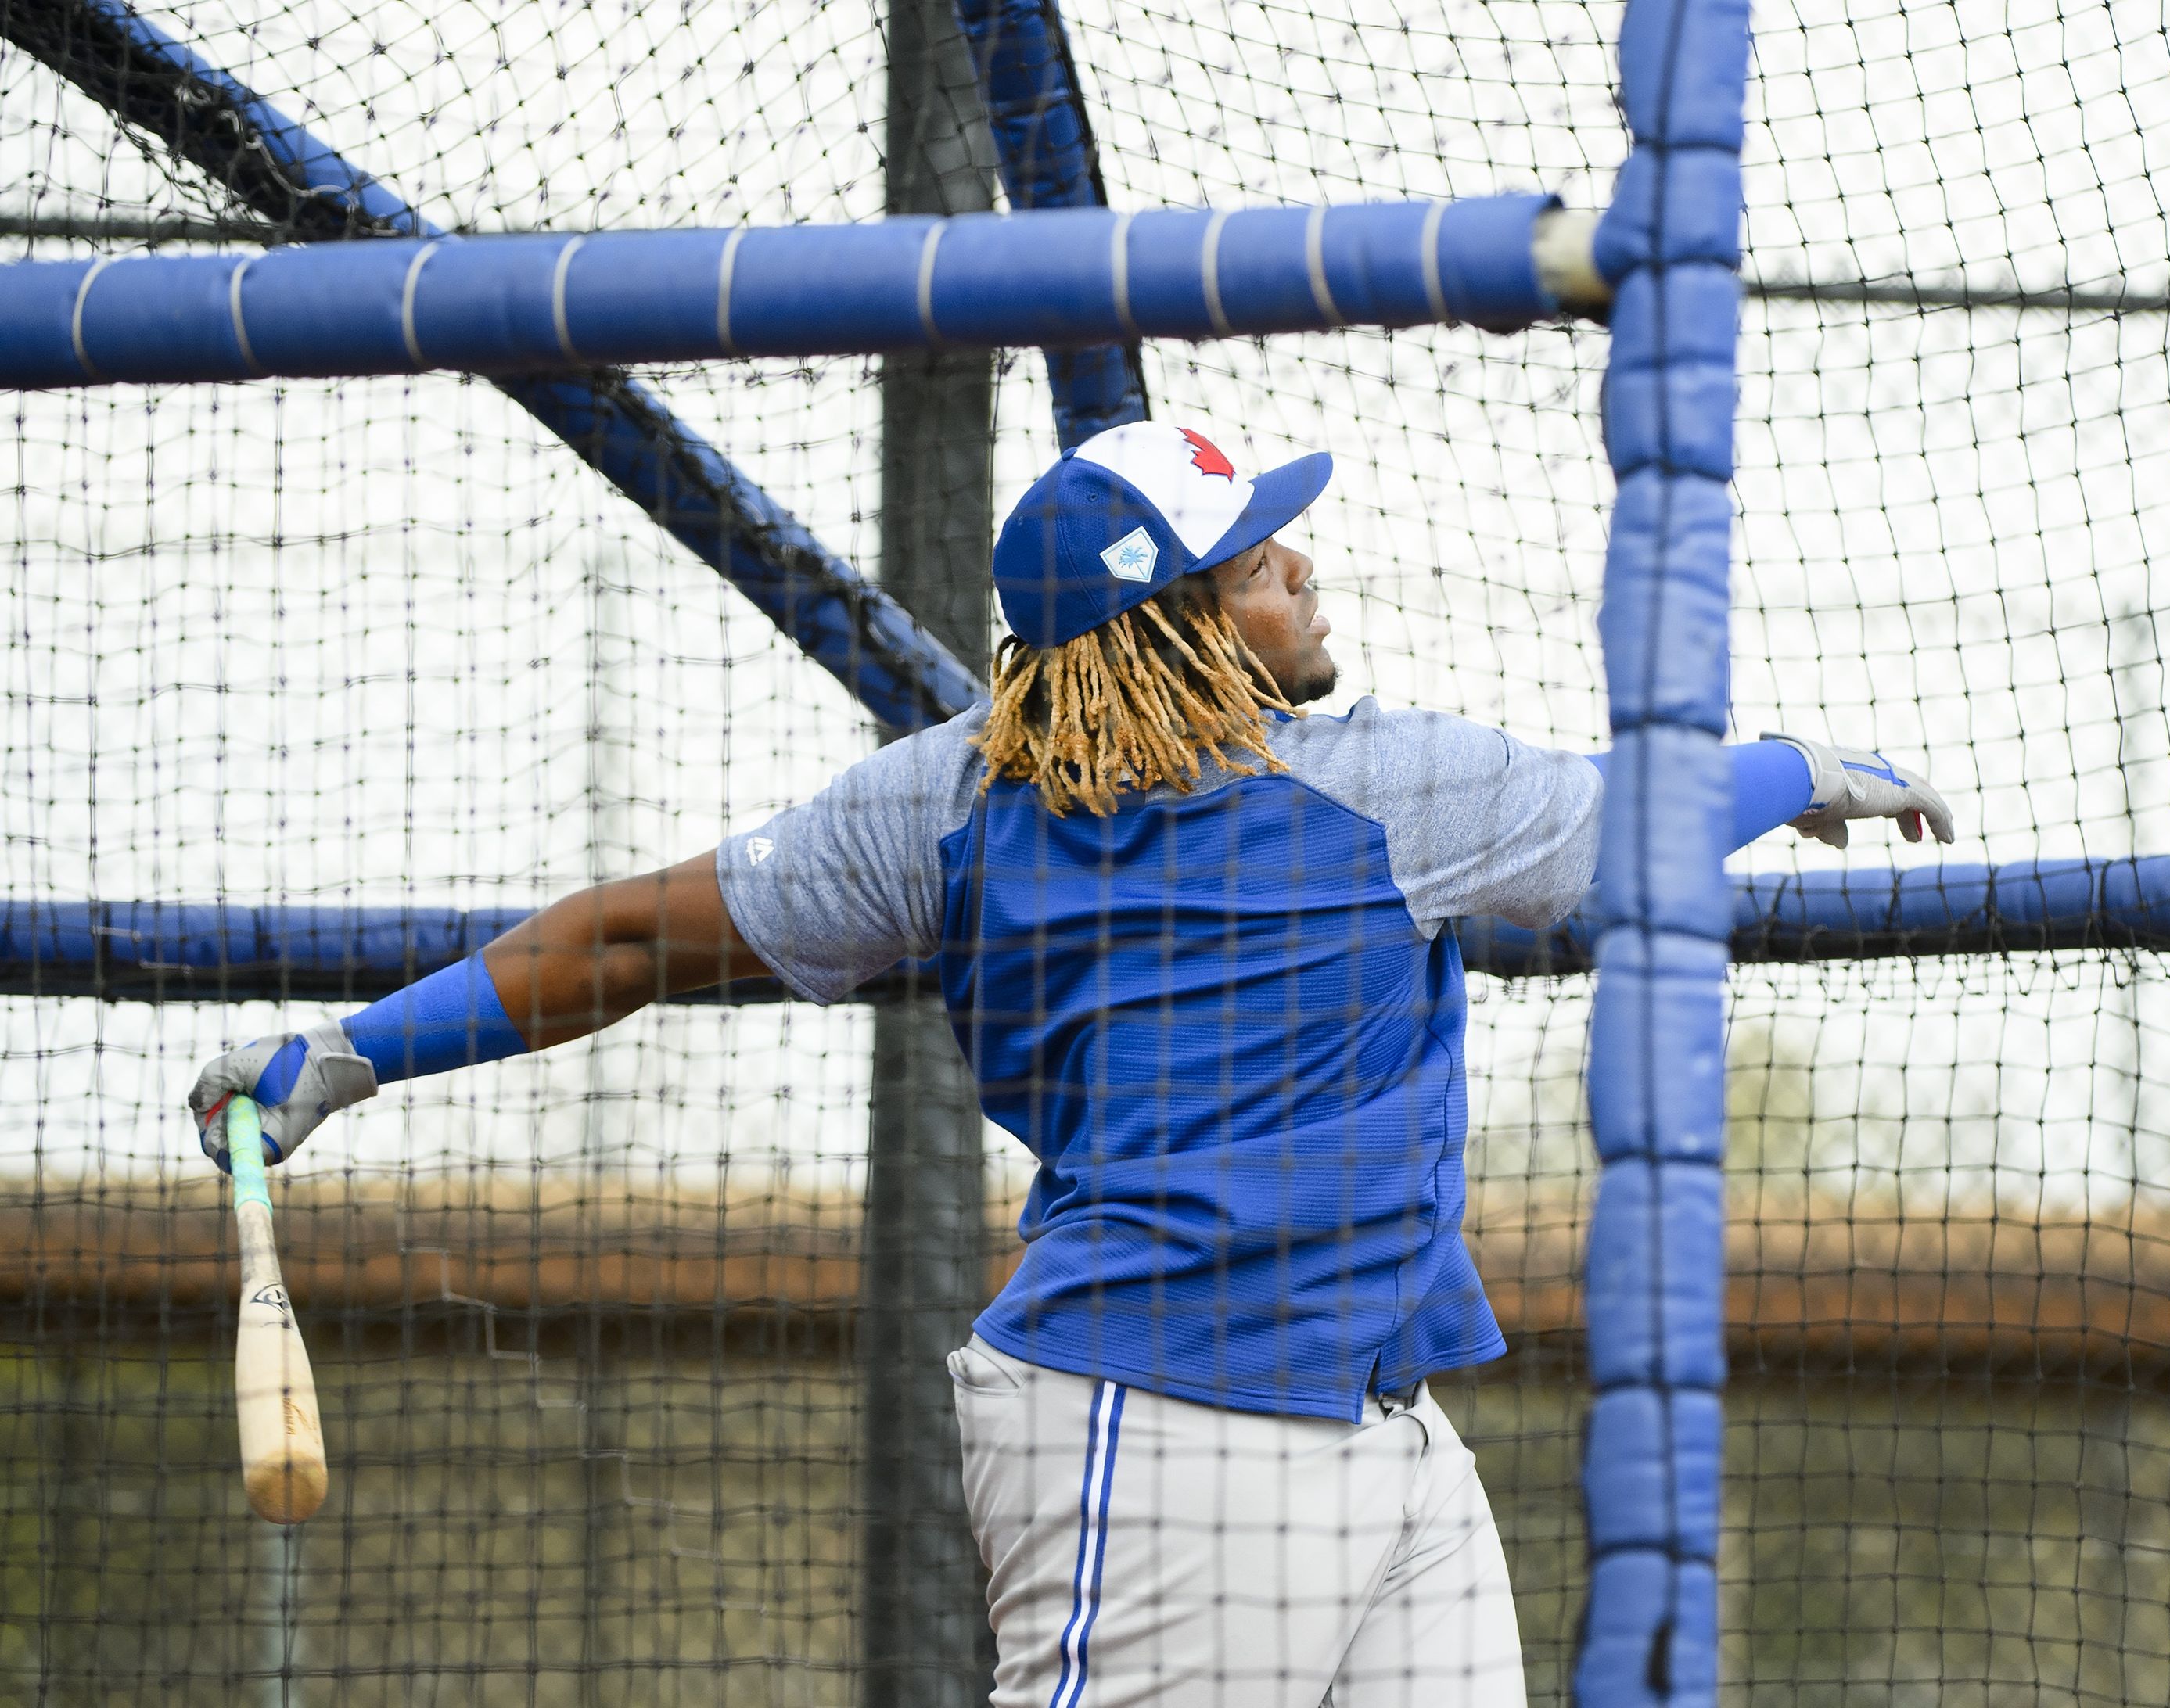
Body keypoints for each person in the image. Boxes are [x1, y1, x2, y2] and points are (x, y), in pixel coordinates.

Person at [190, 420, 1953, 1707]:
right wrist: (1794, 764)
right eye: (1264, 563)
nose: (1304, 568)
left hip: (1381, 1432)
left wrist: (348, 1054)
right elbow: (1634, 822)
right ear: (1188, 627)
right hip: (1158, 1423)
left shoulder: (949, 798)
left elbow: (625, 939)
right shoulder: (1372, 787)